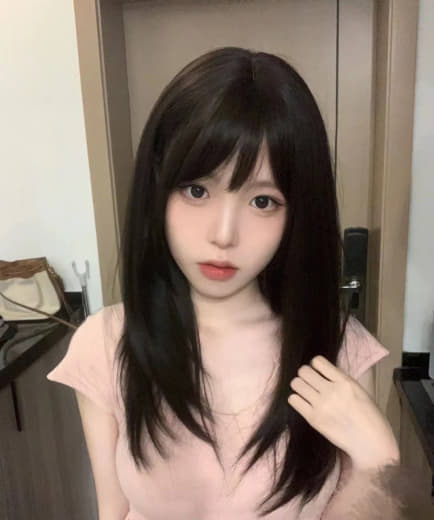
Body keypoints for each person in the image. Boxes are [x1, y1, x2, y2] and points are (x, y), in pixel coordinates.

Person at [47, 47, 403, 519]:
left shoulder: (338, 350)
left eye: (263, 202)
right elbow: (112, 510)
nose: (224, 234)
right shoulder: (108, 343)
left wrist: (378, 463)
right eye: (197, 190)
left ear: (298, 214)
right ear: (157, 192)